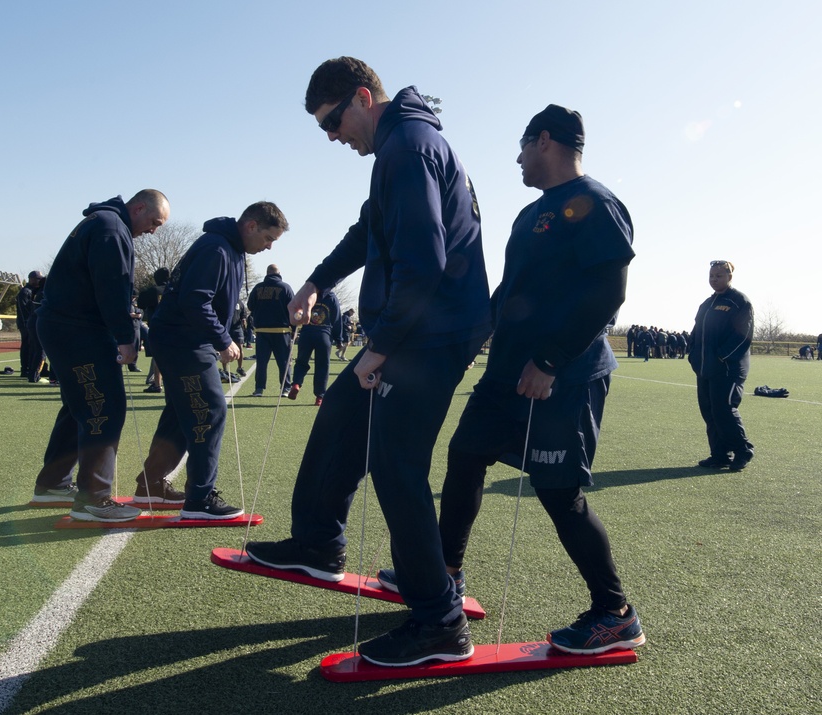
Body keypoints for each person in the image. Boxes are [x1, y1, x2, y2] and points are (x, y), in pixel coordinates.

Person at [245, 57, 492, 668]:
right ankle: (317, 542)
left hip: (430, 334)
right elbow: (367, 234)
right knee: (340, 420)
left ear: (362, 98)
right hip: (414, 328)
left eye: (332, 121)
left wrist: (379, 346)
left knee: (395, 465)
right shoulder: (399, 146)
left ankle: (438, 619)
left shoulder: (407, 146)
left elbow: (425, 262)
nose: (332, 137)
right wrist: (314, 282)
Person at [378, 104, 645, 657]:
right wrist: (473, 335)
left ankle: (615, 612)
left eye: (523, 146)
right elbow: (512, 292)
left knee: (559, 494)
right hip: (507, 374)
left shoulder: (595, 202)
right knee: (464, 455)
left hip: (561, 377)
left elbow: (607, 292)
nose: (517, 158)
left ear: (544, 141)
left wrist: (549, 361)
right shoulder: (531, 214)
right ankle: (446, 575)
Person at [132, 202, 289, 517]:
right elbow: (196, 301)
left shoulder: (229, 249)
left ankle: (150, 485)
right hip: (183, 341)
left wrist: (229, 336)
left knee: (181, 413)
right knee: (209, 411)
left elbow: (220, 302)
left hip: (185, 339)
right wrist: (222, 339)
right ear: (251, 226)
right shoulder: (216, 249)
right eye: (269, 238)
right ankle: (200, 500)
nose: (270, 247)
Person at [31, 189, 170, 521]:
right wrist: (126, 337)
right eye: (154, 222)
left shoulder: (105, 222)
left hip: (65, 326)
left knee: (80, 405)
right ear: (137, 208)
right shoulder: (110, 227)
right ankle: (94, 498)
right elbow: (112, 287)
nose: (153, 230)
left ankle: (52, 484)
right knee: (103, 406)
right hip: (78, 329)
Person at [689, 260, 755, 471]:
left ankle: (743, 450)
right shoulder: (706, 304)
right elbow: (695, 332)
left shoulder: (739, 301)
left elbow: (742, 335)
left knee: (724, 410)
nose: (714, 279)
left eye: (718, 275)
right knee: (709, 411)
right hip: (705, 368)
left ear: (729, 277)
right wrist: (692, 354)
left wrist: (721, 357)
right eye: (711, 276)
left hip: (728, 369)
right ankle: (719, 455)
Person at [288, 286, 342, 406]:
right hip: (324, 335)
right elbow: (337, 319)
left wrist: (292, 330)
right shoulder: (332, 298)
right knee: (322, 366)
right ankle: (320, 396)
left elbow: (296, 312)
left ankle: (296, 383)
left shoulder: (307, 295)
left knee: (301, 362)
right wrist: (339, 339)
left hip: (306, 334)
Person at [247, 265, 295, 397]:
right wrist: (294, 329)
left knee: (262, 362)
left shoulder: (258, 288)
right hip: (282, 331)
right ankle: (285, 388)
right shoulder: (286, 287)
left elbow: (250, 306)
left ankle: (259, 389)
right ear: (279, 273)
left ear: (267, 273)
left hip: (262, 331)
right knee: (284, 362)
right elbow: (292, 309)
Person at [16, 271, 43, 377]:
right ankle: (25, 369)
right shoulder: (25, 292)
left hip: (30, 323)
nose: (39, 281)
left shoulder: (34, 291)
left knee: (33, 346)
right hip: (26, 324)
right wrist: (26, 324)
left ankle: (32, 367)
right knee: (27, 346)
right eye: (37, 279)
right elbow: (23, 310)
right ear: (31, 279)